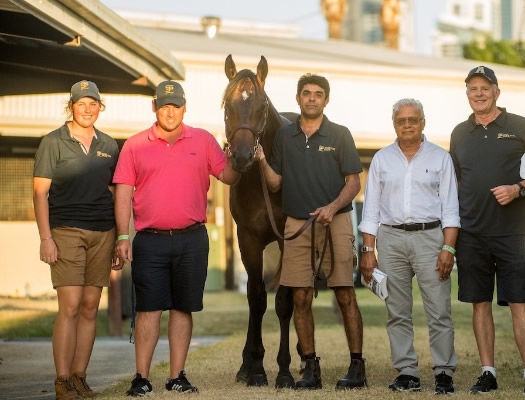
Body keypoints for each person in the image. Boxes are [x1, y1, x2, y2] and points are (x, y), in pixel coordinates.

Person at [113, 80, 239, 396]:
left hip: (192, 239)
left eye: (176, 105)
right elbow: (123, 193)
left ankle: (176, 376)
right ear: (155, 107)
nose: (170, 111)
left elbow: (229, 176)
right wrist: (123, 235)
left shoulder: (204, 140)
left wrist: (241, 153)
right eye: (164, 105)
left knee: (183, 308)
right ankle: (141, 377)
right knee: (149, 309)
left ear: (185, 107)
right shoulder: (135, 144)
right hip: (150, 240)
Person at [256, 73, 366, 390]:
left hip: (337, 221)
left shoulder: (341, 134)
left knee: (344, 293)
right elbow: (275, 183)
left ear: (326, 100)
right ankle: (310, 368)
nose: (312, 98)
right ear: (298, 98)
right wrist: (262, 160)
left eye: (319, 93)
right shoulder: (284, 138)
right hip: (297, 224)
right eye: (307, 93)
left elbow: (354, 182)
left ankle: (357, 367)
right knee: (300, 296)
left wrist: (332, 208)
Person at [449, 66, 525, 395]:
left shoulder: (520, 126)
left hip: (510, 232)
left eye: (485, 87)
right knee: (480, 303)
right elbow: (457, 181)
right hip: (472, 233)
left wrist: (518, 189)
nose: (479, 93)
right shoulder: (459, 133)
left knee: (519, 301)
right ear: (467, 93)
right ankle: (488, 372)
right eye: (472, 88)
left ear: (497, 91)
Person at [359, 98, 460, 395]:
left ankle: (443, 372)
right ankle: (407, 372)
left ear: (423, 123)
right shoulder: (381, 159)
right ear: (394, 124)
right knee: (397, 310)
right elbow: (371, 211)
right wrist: (368, 252)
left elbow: (451, 209)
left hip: (431, 239)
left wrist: (448, 249)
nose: (407, 125)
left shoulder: (441, 158)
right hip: (390, 240)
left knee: (439, 309)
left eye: (412, 120)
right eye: (401, 120)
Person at [33, 80, 119, 400]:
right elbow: (40, 193)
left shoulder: (109, 145)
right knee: (69, 306)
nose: (87, 110)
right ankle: (62, 380)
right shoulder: (52, 142)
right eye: (81, 104)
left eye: (92, 104)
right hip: (66, 230)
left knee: (89, 306)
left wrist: (120, 237)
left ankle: (80, 377)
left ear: (100, 107)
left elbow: (115, 193)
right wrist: (46, 237)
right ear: (71, 107)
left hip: (102, 233)